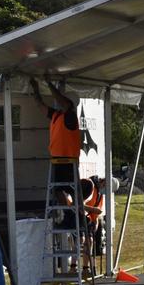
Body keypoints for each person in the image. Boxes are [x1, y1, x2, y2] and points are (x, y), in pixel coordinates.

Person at [30, 76, 81, 205]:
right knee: (57, 189)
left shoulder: (71, 116)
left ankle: (78, 214)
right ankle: (69, 214)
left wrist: (48, 83)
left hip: (69, 160)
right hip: (57, 159)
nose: (60, 102)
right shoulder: (56, 115)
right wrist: (36, 89)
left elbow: (60, 99)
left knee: (73, 189)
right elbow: (40, 105)